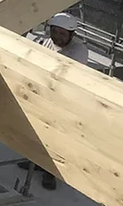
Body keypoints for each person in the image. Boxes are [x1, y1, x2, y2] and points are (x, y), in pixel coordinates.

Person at [20, 12, 89, 189]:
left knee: (55, 137)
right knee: (36, 128)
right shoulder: (46, 42)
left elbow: (65, 73)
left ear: (71, 35)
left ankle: (50, 172)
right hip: (43, 92)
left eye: (62, 34)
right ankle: (34, 161)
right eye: (55, 32)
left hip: (63, 99)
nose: (57, 37)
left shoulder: (79, 51)